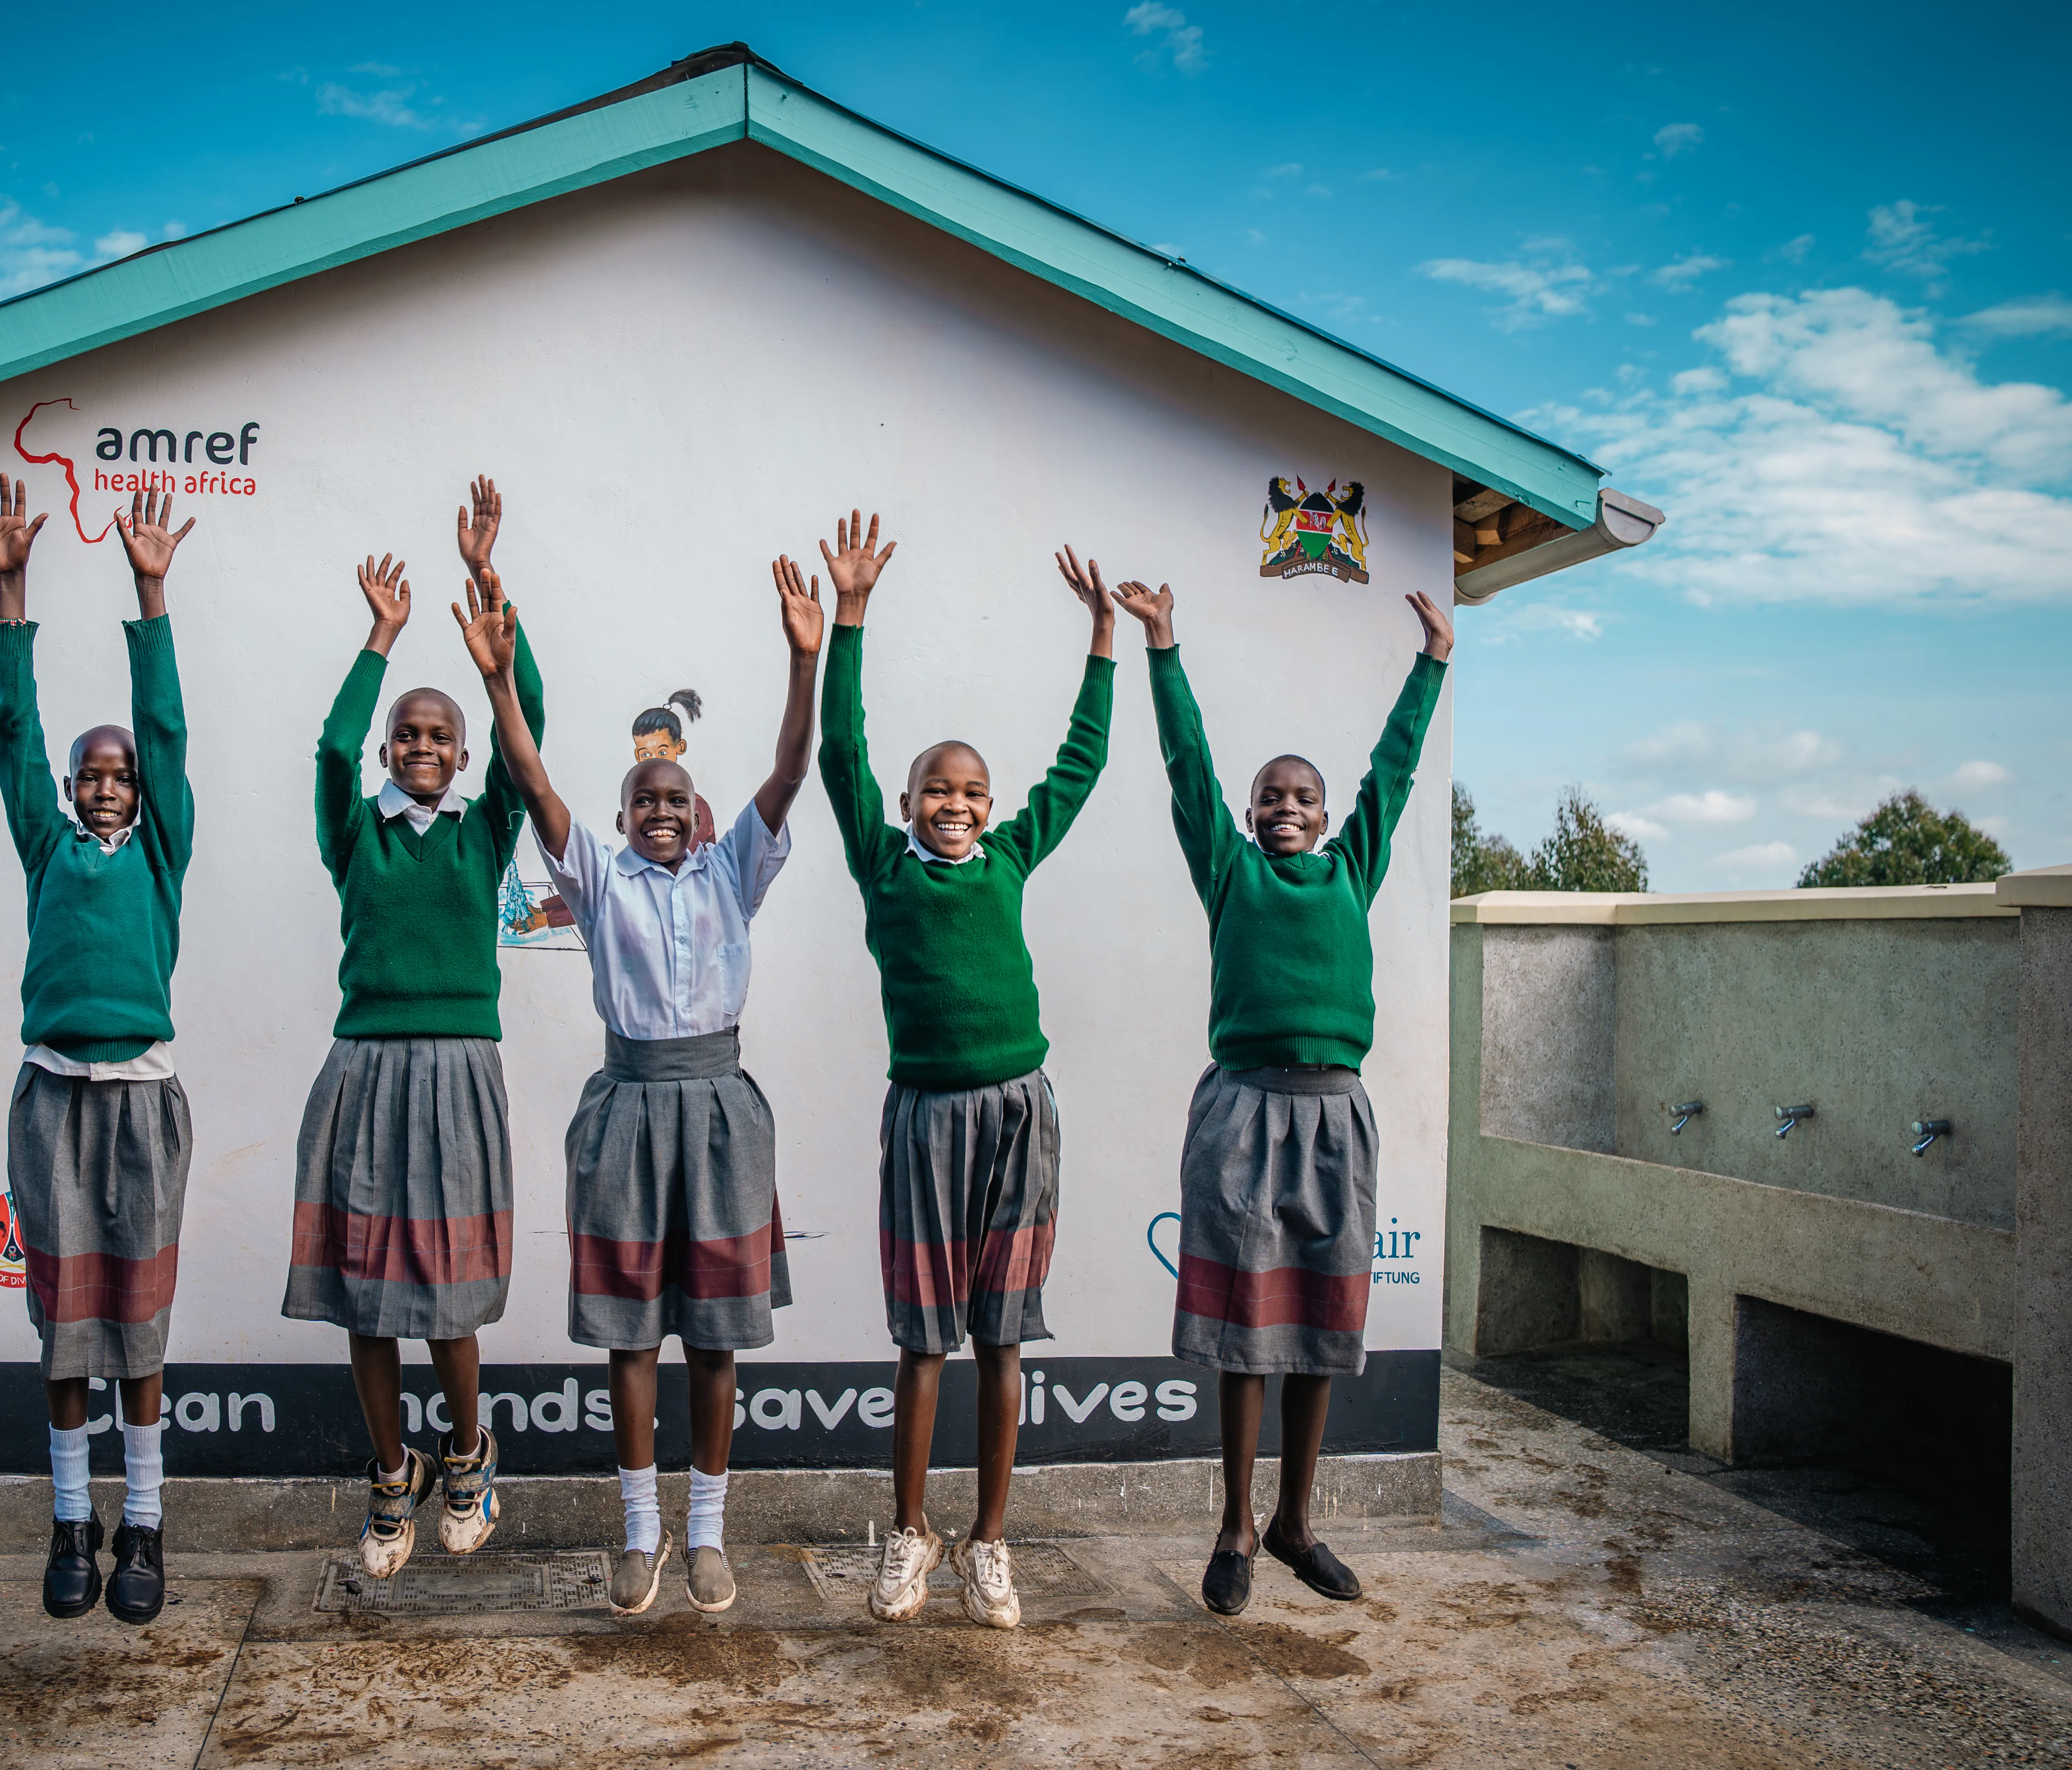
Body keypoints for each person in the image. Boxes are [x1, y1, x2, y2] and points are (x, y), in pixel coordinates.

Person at [458, 555, 821, 1615]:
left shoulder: (732, 871)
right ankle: (640, 1532)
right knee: (630, 1333)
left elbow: (791, 771)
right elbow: (529, 778)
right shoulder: (596, 875)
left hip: (718, 1112)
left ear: (700, 813)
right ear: (620, 819)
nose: (660, 811)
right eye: (641, 800)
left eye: (676, 798)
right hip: (624, 1109)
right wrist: (497, 687)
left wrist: (808, 658)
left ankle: (706, 1533)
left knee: (713, 1335)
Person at [1104, 561, 1451, 1614]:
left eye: (1301, 796)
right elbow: (1185, 762)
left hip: (1333, 1117)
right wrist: (1163, 644)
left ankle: (1298, 1522)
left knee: (1314, 1333)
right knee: (1246, 1335)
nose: (1283, 807)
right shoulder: (1228, 866)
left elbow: (1392, 768)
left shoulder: (1354, 864)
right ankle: (1235, 1528)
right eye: (1269, 797)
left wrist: (1431, 662)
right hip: (1243, 1112)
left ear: (1325, 811)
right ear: (1249, 815)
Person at [816, 511, 1116, 1631]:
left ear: (991, 810)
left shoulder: (1013, 852)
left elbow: (1079, 763)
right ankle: (910, 1531)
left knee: (1003, 1338)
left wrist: (1100, 643)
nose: (955, 804)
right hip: (924, 1120)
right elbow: (839, 748)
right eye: (935, 790)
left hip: (1017, 1113)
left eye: (971, 793)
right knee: (920, 1341)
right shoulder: (882, 868)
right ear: (904, 808)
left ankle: (990, 1539)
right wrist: (849, 618)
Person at [284, 476, 544, 1580]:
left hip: (456, 1071)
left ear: (463, 751)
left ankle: (468, 1453)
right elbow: (324, 752)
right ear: (391, 750)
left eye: (441, 732)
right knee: (365, 1293)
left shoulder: (487, 830)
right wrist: (380, 643)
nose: (423, 743)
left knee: (443, 1293)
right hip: (364, 1067)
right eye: (408, 733)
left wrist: (489, 585)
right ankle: (390, 1474)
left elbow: (529, 718)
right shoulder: (356, 834)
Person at [0, 475, 199, 1626]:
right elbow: (9, 729)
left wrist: (147, 592)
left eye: (121, 771)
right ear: (66, 790)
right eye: (91, 772)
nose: (110, 780)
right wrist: (14, 592)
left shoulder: (161, 851)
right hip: (53, 1103)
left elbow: (160, 723)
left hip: (142, 1108)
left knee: (138, 1328)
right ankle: (73, 1521)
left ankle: (146, 1523)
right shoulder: (46, 844)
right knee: (66, 1328)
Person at [630, 689, 717, 845]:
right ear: (638, 756)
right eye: (646, 755)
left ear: (680, 747)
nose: (655, 761)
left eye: (663, 752)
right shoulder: (637, 805)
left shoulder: (697, 806)